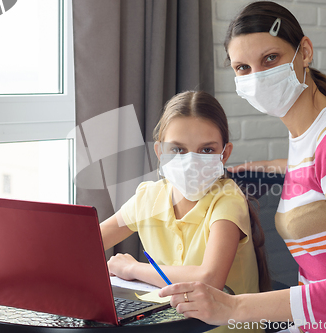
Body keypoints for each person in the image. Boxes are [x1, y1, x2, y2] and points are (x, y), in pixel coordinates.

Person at [159, 2, 326, 332]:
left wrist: (232, 306)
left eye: (270, 58)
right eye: (243, 67)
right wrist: (259, 166)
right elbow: (323, 173)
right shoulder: (309, 137)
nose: (258, 77)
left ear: (305, 52)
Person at [100, 90, 270, 333]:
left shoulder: (228, 200)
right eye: (177, 150)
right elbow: (87, 244)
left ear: (225, 153)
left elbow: (209, 279)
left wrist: (132, 269)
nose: (191, 161)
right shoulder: (149, 196)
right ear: (160, 152)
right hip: (172, 325)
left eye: (206, 150)